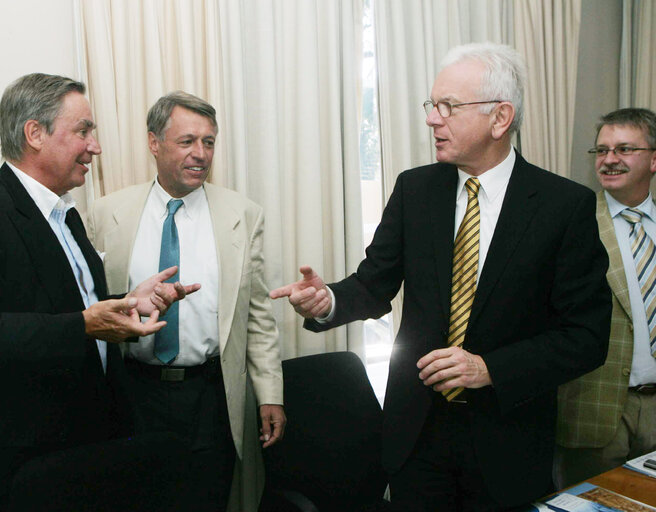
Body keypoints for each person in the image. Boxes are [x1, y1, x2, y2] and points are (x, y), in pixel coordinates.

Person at [270, 42, 611, 511]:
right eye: (432, 105)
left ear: (500, 117)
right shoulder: (416, 189)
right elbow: (373, 285)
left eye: (448, 107)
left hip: (507, 438)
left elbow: (587, 336)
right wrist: (326, 299)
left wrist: (489, 368)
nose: (433, 118)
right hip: (417, 435)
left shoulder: (563, 206)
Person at [0, 73, 192, 511]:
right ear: (35, 133)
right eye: (83, 131)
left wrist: (124, 305)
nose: (96, 146)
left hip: (85, 452)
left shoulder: (65, 216)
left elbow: (64, 307)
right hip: (20, 467)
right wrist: (87, 324)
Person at [87, 91, 286, 512]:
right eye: (187, 141)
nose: (201, 154)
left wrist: (270, 393)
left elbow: (257, 318)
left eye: (209, 142)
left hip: (208, 398)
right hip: (132, 393)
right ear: (154, 142)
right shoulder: (106, 214)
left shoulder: (242, 215)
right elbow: (90, 308)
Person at [556, 108, 656, 488]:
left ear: (654, 159)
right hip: (594, 413)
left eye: (624, 149)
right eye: (601, 151)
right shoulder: (571, 222)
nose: (610, 159)